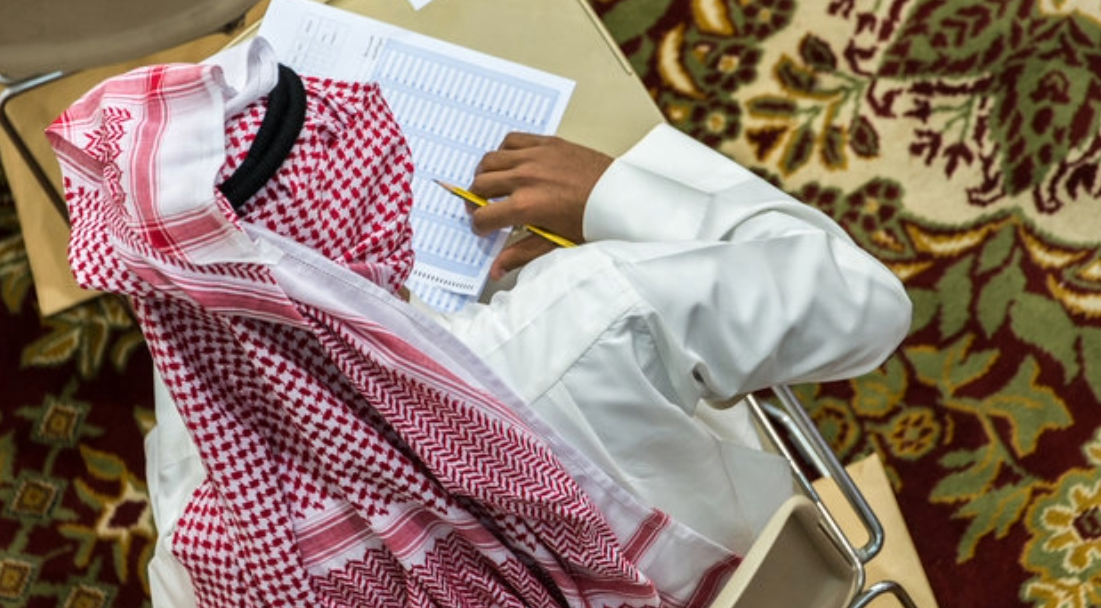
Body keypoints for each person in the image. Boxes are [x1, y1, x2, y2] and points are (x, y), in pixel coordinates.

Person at [49, 39, 912, 607]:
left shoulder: (205, 547)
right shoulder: (587, 316)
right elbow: (864, 304)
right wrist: (613, 196)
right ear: (367, 207)